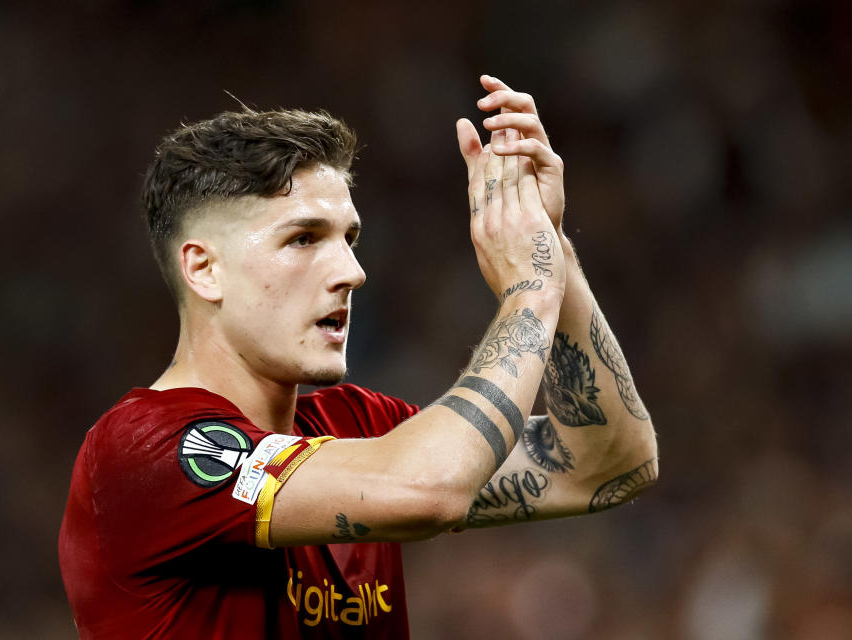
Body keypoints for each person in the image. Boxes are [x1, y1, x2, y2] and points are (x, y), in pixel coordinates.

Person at [58, 74, 658, 639]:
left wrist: (549, 249)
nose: (352, 272)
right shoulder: (143, 451)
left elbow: (609, 464)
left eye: (350, 239)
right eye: (303, 239)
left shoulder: (358, 429)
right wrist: (529, 291)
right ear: (204, 269)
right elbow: (428, 489)